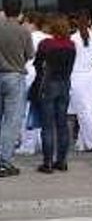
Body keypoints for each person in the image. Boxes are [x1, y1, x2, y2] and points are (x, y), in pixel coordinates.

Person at [31, 14, 77, 173]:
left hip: (48, 85)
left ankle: (48, 162)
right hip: (65, 83)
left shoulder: (46, 44)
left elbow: (37, 64)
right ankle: (62, 161)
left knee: (47, 125)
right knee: (62, 124)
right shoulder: (71, 45)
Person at [0, 0, 34, 178]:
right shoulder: (24, 31)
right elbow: (30, 54)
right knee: (11, 121)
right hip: (14, 76)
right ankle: (4, 162)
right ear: (19, 10)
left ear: (4, 9)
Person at [69, 10, 92, 153]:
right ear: (90, 21)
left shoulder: (72, 39)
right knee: (87, 111)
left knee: (83, 112)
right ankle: (84, 141)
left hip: (76, 77)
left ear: (76, 22)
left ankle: (89, 142)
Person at [18, 12, 48, 156]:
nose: (22, 24)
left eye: (24, 22)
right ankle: (40, 141)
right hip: (45, 77)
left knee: (25, 111)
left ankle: (28, 144)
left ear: (31, 23)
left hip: (28, 75)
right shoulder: (48, 37)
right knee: (41, 110)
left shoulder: (27, 37)